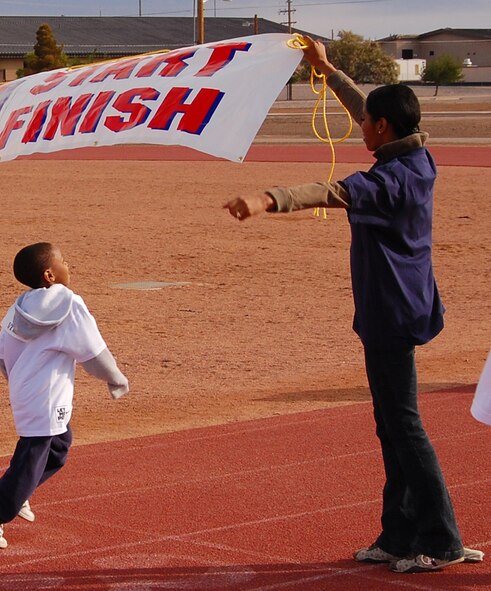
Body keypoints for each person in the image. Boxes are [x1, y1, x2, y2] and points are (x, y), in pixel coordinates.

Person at [223, 37, 483, 574]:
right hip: (393, 309)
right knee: (391, 425)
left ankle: (441, 539)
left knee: (404, 426)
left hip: (394, 313)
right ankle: (400, 534)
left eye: (368, 122)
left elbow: (330, 193)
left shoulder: (391, 180)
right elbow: (364, 107)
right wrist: (327, 69)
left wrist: (266, 199)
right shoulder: (415, 154)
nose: (361, 125)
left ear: (382, 129)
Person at [0, 242, 129, 549]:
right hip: (48, 395)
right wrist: (115, 378)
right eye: (64, 261)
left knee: (57, 447)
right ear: (50, 275)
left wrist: (17, 381)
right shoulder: (69, 304)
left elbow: (1, 352)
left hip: (25, 391)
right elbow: (93, 352)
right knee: (34, 454)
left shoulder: (20, 307)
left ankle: (16, 490)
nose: (70, 265)